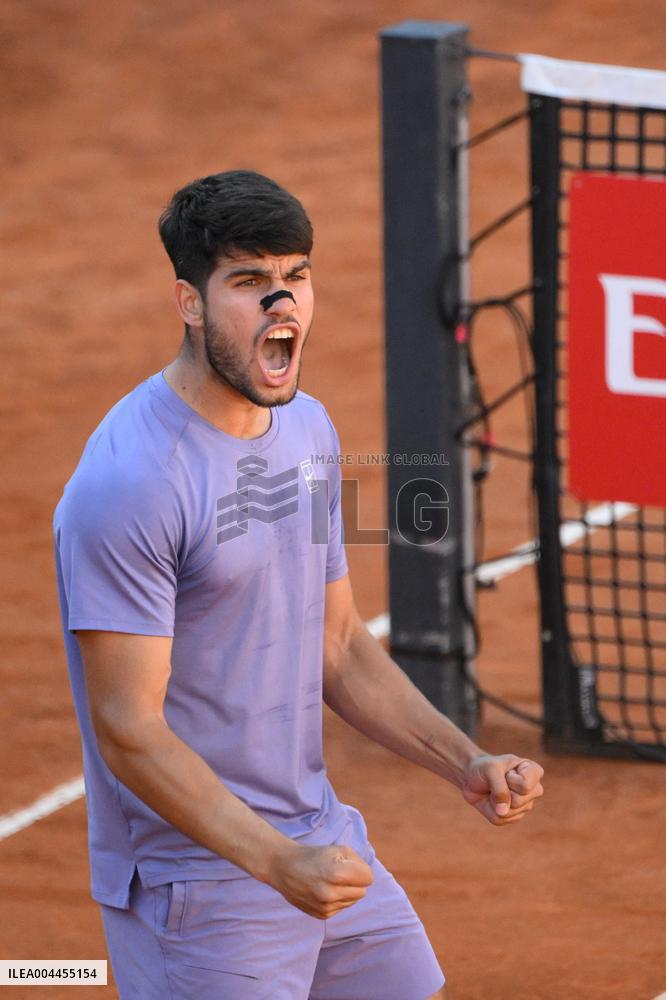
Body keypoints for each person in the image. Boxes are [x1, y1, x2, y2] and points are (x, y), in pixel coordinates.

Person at [53, 170, 544, 1000]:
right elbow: (127, 728)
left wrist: (463, 758)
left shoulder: (307, 426)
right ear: (189, 302)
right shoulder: (132, 483)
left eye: (296, 277)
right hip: (198, 882)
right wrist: (274, 862)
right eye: (249, 283)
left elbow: (340, 644)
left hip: (317, 841)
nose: (282, 305)